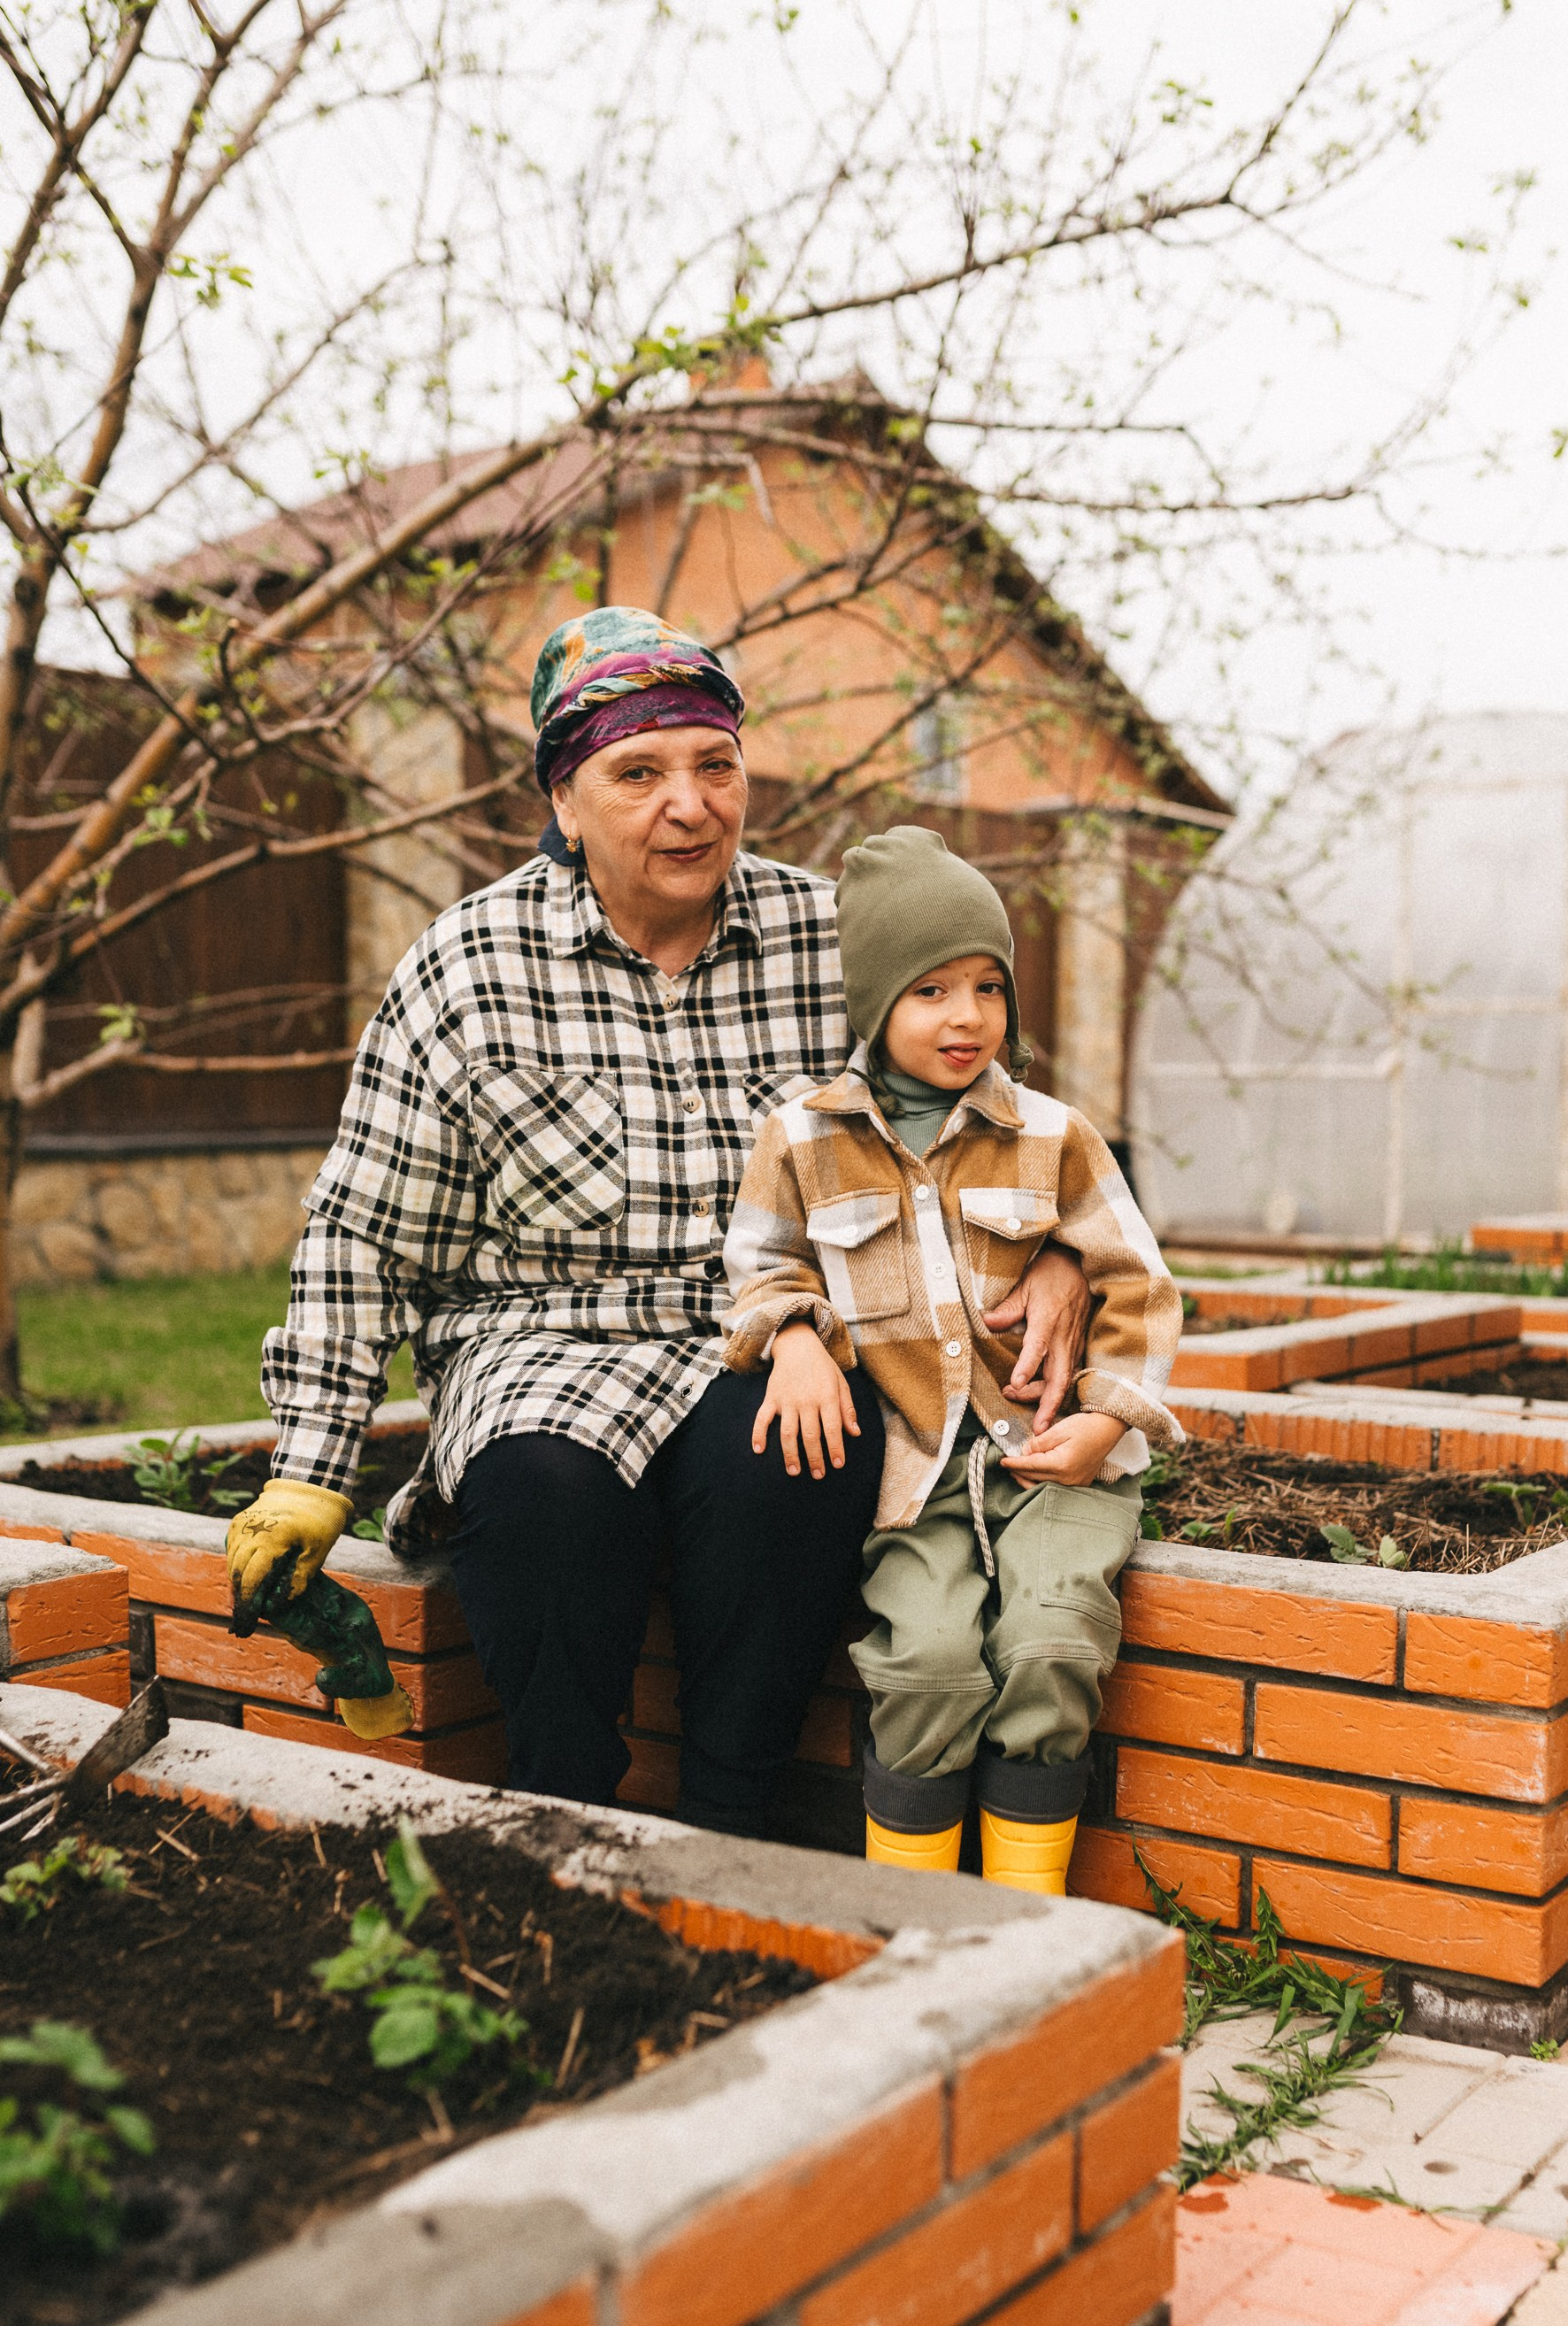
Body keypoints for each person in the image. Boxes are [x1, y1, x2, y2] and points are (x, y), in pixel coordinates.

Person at [224, 610, 1093, 1835]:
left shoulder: (833, 942)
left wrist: (1058, 1251)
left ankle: (731, 1827)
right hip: (539, 1339)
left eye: (714, 766)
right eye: (638, 774)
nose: (690, 806)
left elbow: (999, 1111)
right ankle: (563, 1819)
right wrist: (311, 1469)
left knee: (798, 1461)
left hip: (776, 1328)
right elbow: (363, 1234)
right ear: (565, 801)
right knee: (542, 1490)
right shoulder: (467, 968)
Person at [722, 826, 1183, 1893]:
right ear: (874, 1004)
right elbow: (759, 1263)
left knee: (1052, 1645)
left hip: (1056, 1460)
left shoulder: (1053, 1135)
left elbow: (1138, 1284)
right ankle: (919, 1921)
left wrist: (1105, 1419)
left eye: (986, 986)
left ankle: (1027, 1923)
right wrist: (790, 1334)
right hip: (910, 1471)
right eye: (928, 990)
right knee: (926, 1668)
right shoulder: (801, 1138)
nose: (966, 1016)